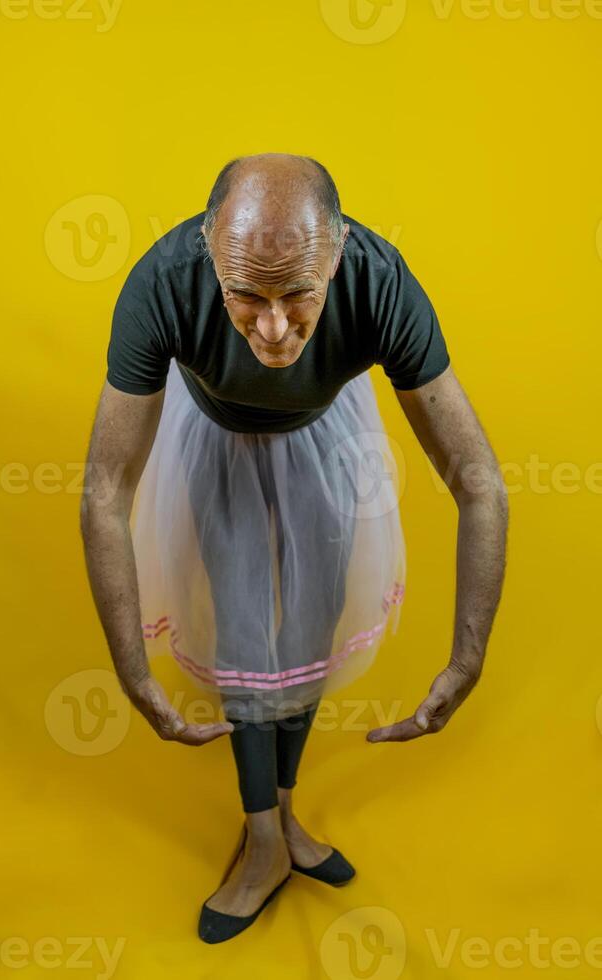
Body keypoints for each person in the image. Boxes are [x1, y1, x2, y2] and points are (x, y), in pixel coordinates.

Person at [79, 153, 509, 943]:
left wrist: (466, 659)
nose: (273, 328)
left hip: (326, 434)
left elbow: (478, 481)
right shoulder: (162, 282)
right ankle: (264, 839)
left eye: (298, 294)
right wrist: (132, 674)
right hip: (213, 435)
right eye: (247, 293)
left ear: (338, 253)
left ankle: (283, 816)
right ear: (209, 249)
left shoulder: (382, 282)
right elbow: (106, 490)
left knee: (313, 619)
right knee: (244, 628)